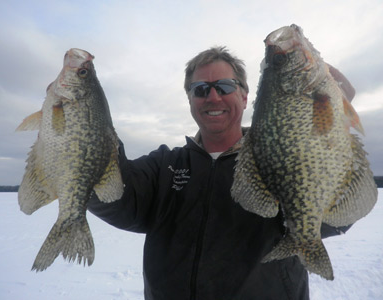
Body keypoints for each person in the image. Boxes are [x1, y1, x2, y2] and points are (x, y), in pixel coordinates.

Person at [88, 47, 349, 300]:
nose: (213, 97)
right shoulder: (164, 166)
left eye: (224, 86)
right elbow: (113, 196)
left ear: (245, 96)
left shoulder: (282, 161)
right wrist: (79, 129)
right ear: (190, 99)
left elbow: (334, 215)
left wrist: (331, 107)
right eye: (200, 89)